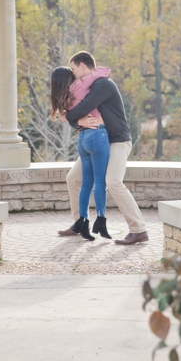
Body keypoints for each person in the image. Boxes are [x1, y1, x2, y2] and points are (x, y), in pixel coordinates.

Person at [58, 52, 153, 245]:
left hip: (117, 141)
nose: (73, 74)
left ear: (83, 66)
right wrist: (77, 121)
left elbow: (82, 109)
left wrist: (68, 117)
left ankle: (139, 230)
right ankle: (79, 222)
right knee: (73, 178)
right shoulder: (87, 87)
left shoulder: (102, 84)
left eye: (74, 69)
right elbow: (82, 118)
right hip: (98, 142)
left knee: (113, 181)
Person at [50, 66, 110, 241]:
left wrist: (77, 120)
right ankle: (95, 220)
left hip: (86, 139)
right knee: (98, 182)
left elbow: (64, 117)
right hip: (97, 135)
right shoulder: (79, 85)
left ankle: (82, 222)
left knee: (85, 183)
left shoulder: (66, 96)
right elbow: (103, 72)